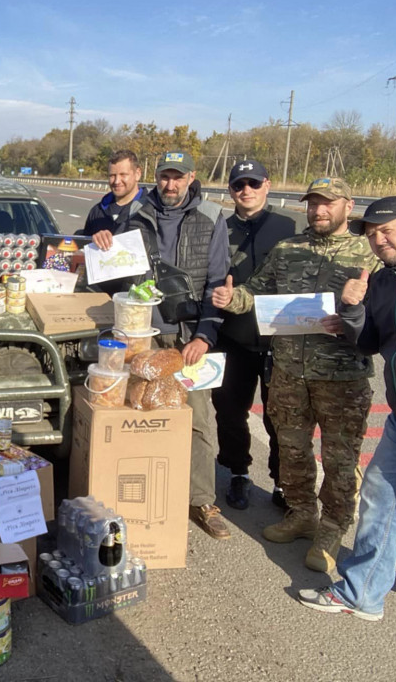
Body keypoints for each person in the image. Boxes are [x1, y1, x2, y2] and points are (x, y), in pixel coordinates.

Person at [213, 177, 381, 572]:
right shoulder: (289, 249)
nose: (318, 210)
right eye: (312, 204)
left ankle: (333, 527)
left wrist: (359, 315)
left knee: (340, 459)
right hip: (288, 372)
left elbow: (385, 312)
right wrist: (230, 299)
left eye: (328, 203)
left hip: (342, 377)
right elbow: (255, 291)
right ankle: (302, 512)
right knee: (291, 449)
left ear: (347, 205)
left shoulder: (367, 252)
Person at [299, 197, 396, 620]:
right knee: (379, 504)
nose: (378, 240)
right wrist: (350, 308)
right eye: (370, 235)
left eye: (387, 230)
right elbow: (369, 342)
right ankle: (360, 593)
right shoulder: (382, 280)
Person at [130, 150, 232, 540]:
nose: (169, 185)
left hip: (189, 335)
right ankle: (143, 495)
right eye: (163, 177)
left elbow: (218, 281)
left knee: (198, 420)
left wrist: (206, 334)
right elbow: (118, 265)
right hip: (144, 332)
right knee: (140, 412)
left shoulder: (211, 216)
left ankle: (201, 500)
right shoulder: (137, 213)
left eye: (177, 177)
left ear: (191, 177)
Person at [212, 160, 303, 511]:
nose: (245, 191)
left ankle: (282, 482)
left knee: (279, 416)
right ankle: (238, 472)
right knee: (230, 411)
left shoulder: (288, 226)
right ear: (230, 190)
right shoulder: (220, 227)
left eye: (252, 183)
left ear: (267, 185)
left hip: (278, 340)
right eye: (238, 185)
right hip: (232, 337)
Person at [76, 148, 146, 250]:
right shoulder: (97, 211)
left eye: (123, 175)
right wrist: (94, 240)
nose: (117, 181)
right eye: (112, 175)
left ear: (138, 174)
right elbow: (84, 251)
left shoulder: (151, 210)